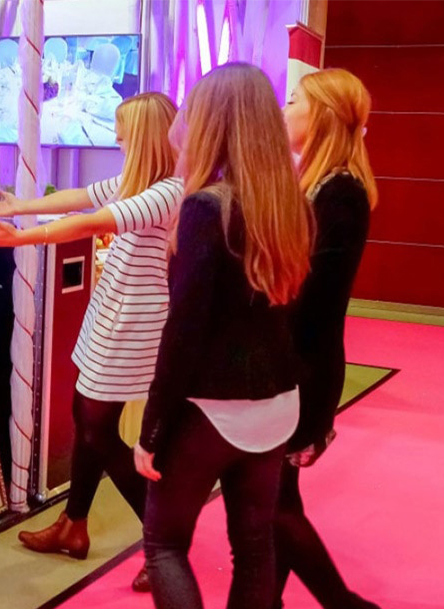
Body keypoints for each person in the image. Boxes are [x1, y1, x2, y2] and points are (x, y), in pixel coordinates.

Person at [0, 91, 184, 592]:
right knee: (88, 419)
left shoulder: (169, 191)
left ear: (145, 137)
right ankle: (74, 524)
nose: (118, 139)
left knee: (97, 429)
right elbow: (81, 196)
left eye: (124, 134)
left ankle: (162, 541)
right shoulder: (137, 181)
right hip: (110, 313)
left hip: (133, 324)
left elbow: (95, 220)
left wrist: (21, 236)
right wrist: (22, 206)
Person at [133, 62, 313, 609]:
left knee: (164, 544)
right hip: (278, 403)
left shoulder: (206, 207)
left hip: (213, 407)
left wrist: (152, 428)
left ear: (213, 122)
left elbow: (184, 332)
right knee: (255, 546)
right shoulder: (293, 206)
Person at [273, 68, 380, 609]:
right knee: (273, 498)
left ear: (321, 117)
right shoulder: (319, 185)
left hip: (301, 368)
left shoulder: (339, 192)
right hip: (298, 362)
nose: (284, 109)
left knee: (273, 502)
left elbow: (308, 296)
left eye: (293, 101)